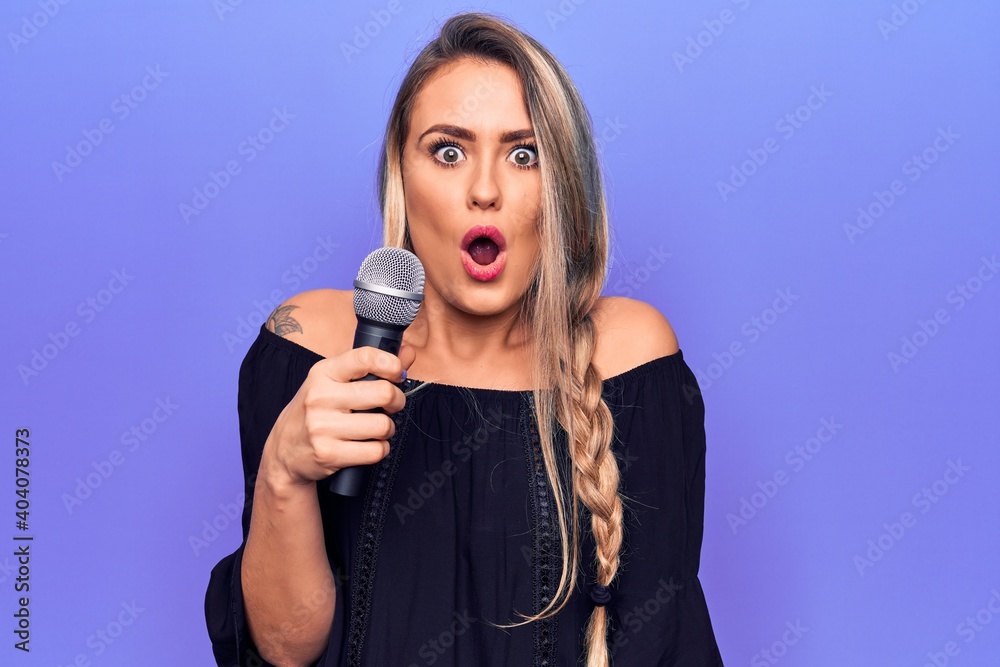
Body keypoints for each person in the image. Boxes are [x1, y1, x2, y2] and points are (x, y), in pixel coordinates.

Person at [205, 11, 723, 667]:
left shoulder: (630, 356)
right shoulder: (309, 343)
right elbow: (284, 647)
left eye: (523, 153)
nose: (484, 189)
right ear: (402, 172)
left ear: (561, 185)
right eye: (448, 151)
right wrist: (284, 473)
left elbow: (659, 638)